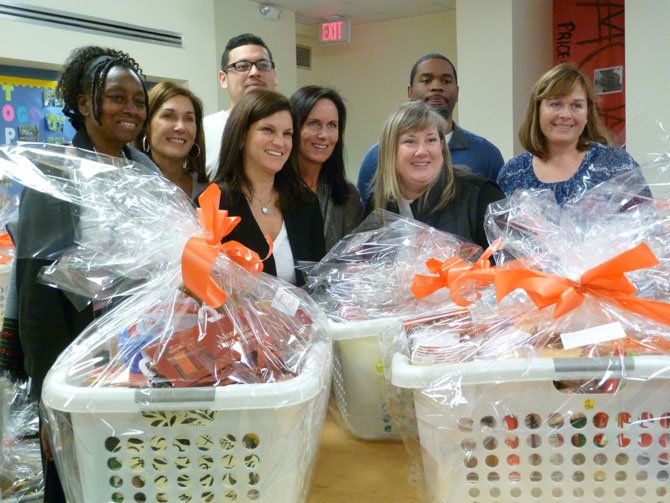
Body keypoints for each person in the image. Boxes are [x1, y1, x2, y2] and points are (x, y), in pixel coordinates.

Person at [14, 45, 157, 503]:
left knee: (130, 478)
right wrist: (50, 400)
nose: (130, 109)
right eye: (116, 97)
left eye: (138, 100)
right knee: (77, 480)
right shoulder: (56, 173)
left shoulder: (146, 173)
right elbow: (37, 296)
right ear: (82, 103)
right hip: (75, 357)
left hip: (139, 357)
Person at [357, 52, 504, 204]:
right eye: (426, 81)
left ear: (458, 92)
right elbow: (369, 217)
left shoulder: (487, 154)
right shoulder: (377, 156)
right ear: (410, 91)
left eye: (446, 81)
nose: (437, 87)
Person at [211, 89, 325, 286]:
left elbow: (318, 281)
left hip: (304, 317)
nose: (280, 142)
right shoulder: (213, 203)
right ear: (241, 137)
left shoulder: (305, 202)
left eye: (287, 134)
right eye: (268, 130)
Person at [497, 63, 639, 206]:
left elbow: (646, 221)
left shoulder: (618, 166)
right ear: (537, 110)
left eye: (576, 106)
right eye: (555, 104)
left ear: (587, 113)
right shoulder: (512, 173)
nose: (565, 115)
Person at [369, 101, 503, 250]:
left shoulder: (481, 196)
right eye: (410, 141)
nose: (422, 151)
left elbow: (512, 264)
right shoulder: (377, 204)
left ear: (441, 146)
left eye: (431, 140)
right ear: (390, 150)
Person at [290, 85, 363, 251]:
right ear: (293, 128)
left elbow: (354, 261)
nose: (323, 135)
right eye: (314, 124)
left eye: (332, 125)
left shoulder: (348, 195)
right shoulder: (272, 190)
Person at [204, 33, 278, 179]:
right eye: (242, 66)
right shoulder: (204, 130)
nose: (255, 72)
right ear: (223, 79)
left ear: (274, 75)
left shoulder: (291, 129)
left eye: (263, 65)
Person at [135, 81, 209, 197]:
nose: (181, 127)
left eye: (189, 119)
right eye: (168, 116)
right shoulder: (129, 185)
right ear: (146, 125)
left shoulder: (208, 190)